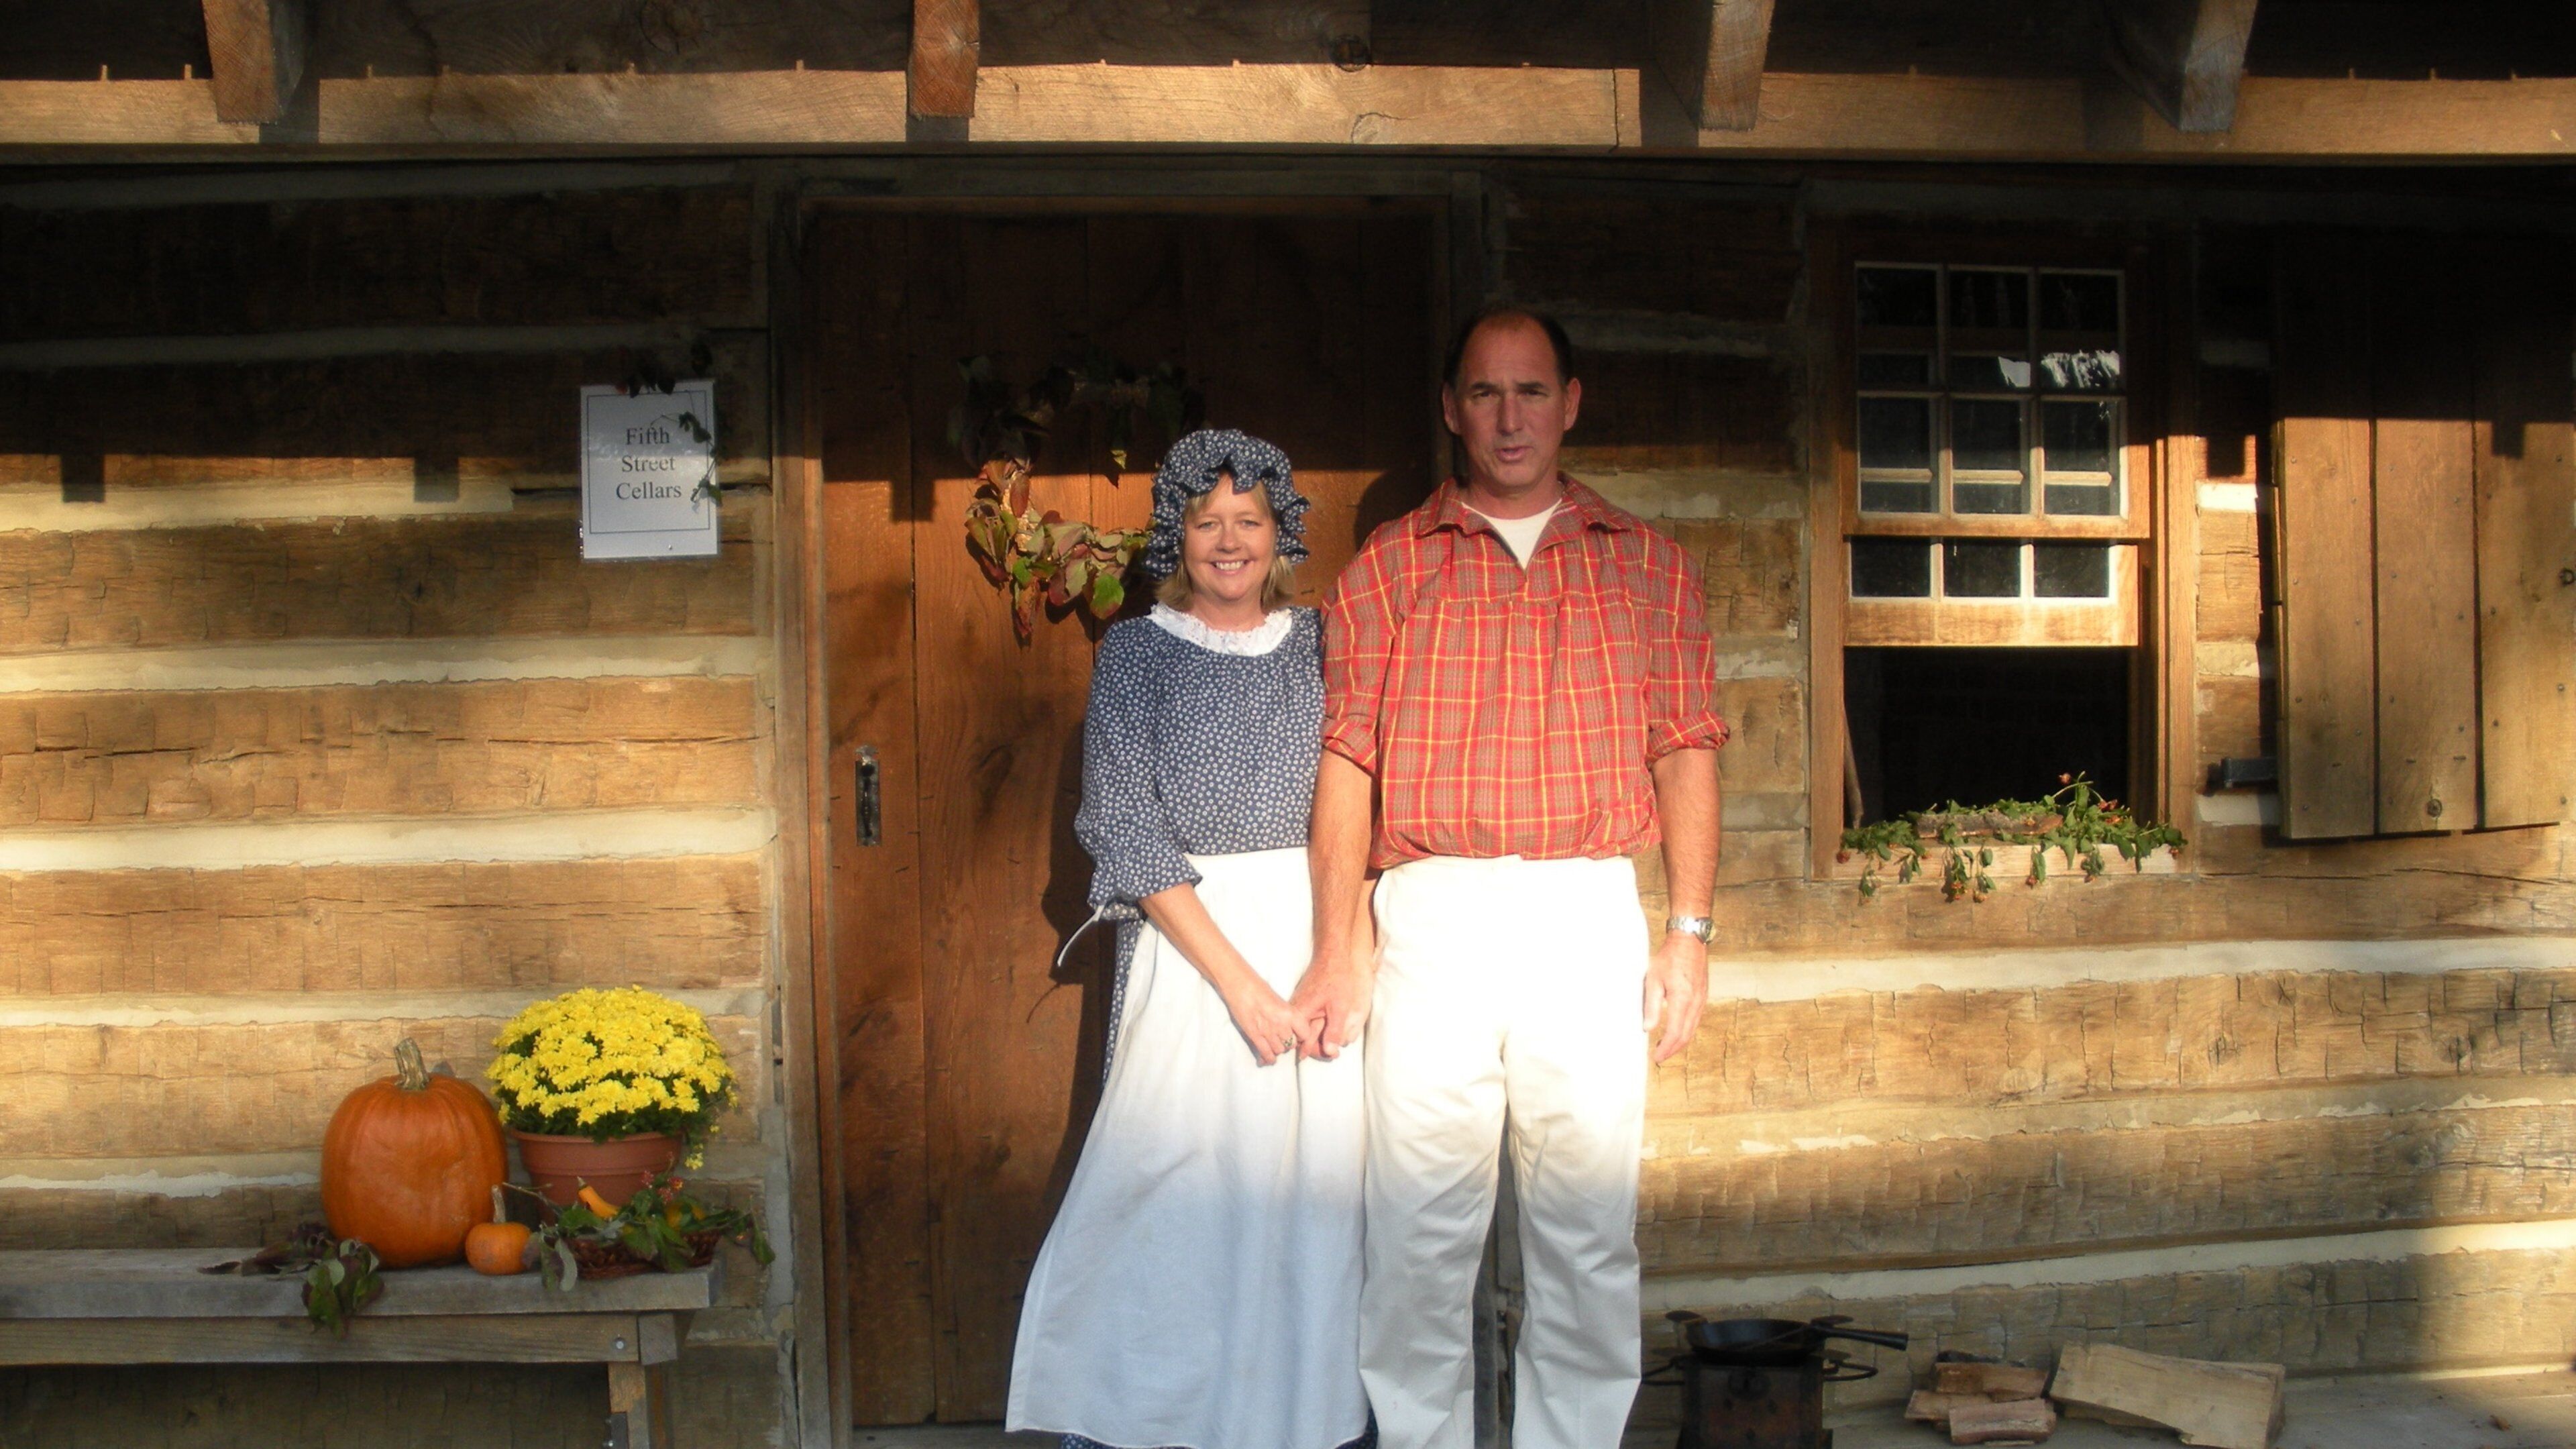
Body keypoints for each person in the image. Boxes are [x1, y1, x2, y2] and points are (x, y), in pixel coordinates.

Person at [1291, 307, 1728, 1449]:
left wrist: (1688, 934)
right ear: (1452, 408)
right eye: (1485, 393)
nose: (1510, 417)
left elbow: (1686, 746)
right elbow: (1348, 760)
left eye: (1532, 391)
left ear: (1570, 404)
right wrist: (1339, 946)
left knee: (1585, 1232)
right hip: (1432, 913)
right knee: (1418, 1234)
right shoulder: (1391, 565)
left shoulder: (1648, 565)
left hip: (1585, 911)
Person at [1009, 429, 1370, 1449]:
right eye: (1207, 522)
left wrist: (1343, 955)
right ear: (1178, 535)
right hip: (1189, 949)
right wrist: (1244, 988)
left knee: (1309, 1194)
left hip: (1314, 936)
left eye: (1248, 520)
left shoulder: (1323, 642)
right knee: (1169, 1184)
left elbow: (1361, 795)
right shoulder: (1136, 653)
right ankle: (1145, 1422)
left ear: (1280, 532)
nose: (1229, 541)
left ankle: (1297, 1424)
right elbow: (1123, 820)